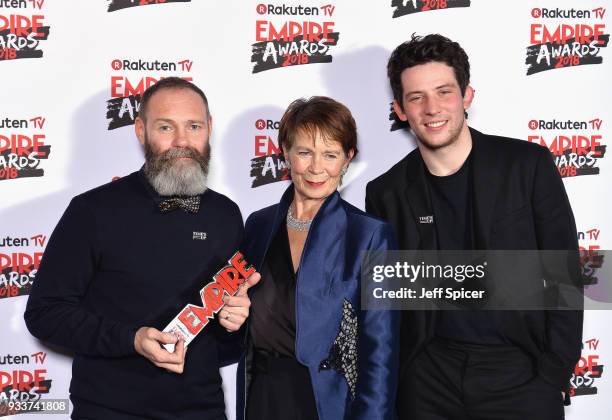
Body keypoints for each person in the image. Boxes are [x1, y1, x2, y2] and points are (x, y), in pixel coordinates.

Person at [366, 34, 583, 419]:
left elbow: (564, 274)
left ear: (467, 96)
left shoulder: (526, 166)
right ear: (400, 109)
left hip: (520, 373)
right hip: (427, 382)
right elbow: (387, 298)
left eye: (444, 92)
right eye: (416, 97)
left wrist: (552, 375)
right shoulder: (386, 192)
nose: (432, 108)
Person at [24, 77, 260, 420]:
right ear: (140, 130)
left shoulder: (226, 215)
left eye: (193, 126)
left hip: (203, 410)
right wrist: (131, 339)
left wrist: (233, 322)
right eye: (166, 127)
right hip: (110, 412)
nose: (182, 141)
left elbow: (226, 346)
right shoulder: (93, 211)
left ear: (209, 128)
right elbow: (44, 314)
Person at [237, 96, 400, 420]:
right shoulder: (258, 225)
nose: (316, 168)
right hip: (263, 396)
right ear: (285, 151)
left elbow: (380, 351)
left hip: (328, 403)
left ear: (347, 158)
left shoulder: (369, 235)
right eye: (304, 152)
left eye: (330, 154)